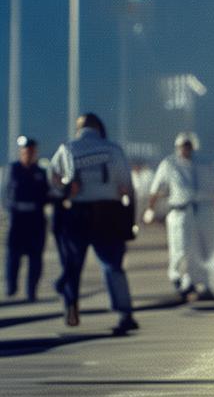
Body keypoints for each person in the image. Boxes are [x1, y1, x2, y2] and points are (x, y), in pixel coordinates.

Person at [48, 113, 138, 334]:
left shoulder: (67, 149)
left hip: (77, 214)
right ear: (99, 128)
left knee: (73, 264)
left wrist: (67, 188)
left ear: (79, 129)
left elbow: (53, 179)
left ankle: (71, 305)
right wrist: (129, 221)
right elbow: (127, 187)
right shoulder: (113, 150)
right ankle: (124, 313)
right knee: (112, 265)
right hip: (108, 214)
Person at [144, 132, 214, 301]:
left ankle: (207, 286)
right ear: (177, 147)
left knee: (209, 249)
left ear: (193, 146)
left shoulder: (206, 163)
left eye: (188, 145)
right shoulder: (169, 164)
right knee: (182, 248)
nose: (185, 149)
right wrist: (150, 209)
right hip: (181, 211)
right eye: (182, 146)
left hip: (205, 210)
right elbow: (155, 188)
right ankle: (183, 281)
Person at [4, 136, 50, 302]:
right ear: (21, 152)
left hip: (35, 219)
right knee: (13, 255)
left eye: (31, 152)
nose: (28, 154)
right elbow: (6, 193)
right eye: (25, 152)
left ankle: (32, 291)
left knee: (35, 257)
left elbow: (47, 194)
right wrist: (10, 210)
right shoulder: (13, 169)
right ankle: (11, 286)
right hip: (17, 218)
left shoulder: (41, 172)